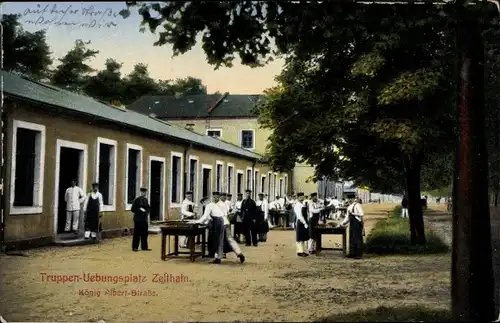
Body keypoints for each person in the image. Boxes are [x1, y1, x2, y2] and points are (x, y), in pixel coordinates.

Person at [196, 192, 245, 264]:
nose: (215, 198)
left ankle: (218, 258)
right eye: (214, 197)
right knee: (230, 239)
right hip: (225, 222)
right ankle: (239, 253)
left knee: (219, 241)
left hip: (220, 223)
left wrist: (197, 222)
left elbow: (205, 216)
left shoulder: (210, 205)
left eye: (216, 197)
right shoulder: (220, 204)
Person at [340, 194, 365, 259]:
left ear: (354, 199)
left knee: (357, 239)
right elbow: (347, 218)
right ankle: (352, 253)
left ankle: (359, 254)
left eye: (351, 199)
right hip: (352, 224)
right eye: (349, 199)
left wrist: (353, 213)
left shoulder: (357, 205)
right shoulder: (348, 207)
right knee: (351, 238)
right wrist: (342, 223)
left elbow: (362, 213)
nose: (350, 200)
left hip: (357, 223)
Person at [131, 187, 151, 252]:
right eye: (142, 192)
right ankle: (135, 247)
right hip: (138, 219)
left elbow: (148, 208)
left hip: (144, 219)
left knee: (145, 233)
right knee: (137, 233)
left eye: (144, 192)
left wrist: (147, 212)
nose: (143, 193)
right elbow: (132, 209)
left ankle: (144, 247)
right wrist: (139, 209)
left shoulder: (146, 200)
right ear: (140, 192)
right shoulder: (137, 200)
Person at [294, 192, 309, 257]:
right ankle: (300, 251)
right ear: (298, 198)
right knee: (299, 238)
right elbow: (299, 215)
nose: (302, 198)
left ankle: (303, 251)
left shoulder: (302, 204)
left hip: (304, 221)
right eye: (300, 197)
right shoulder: (297, 205)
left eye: (302, 197)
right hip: (300, 222)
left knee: (303, 237)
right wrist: (304, 222)